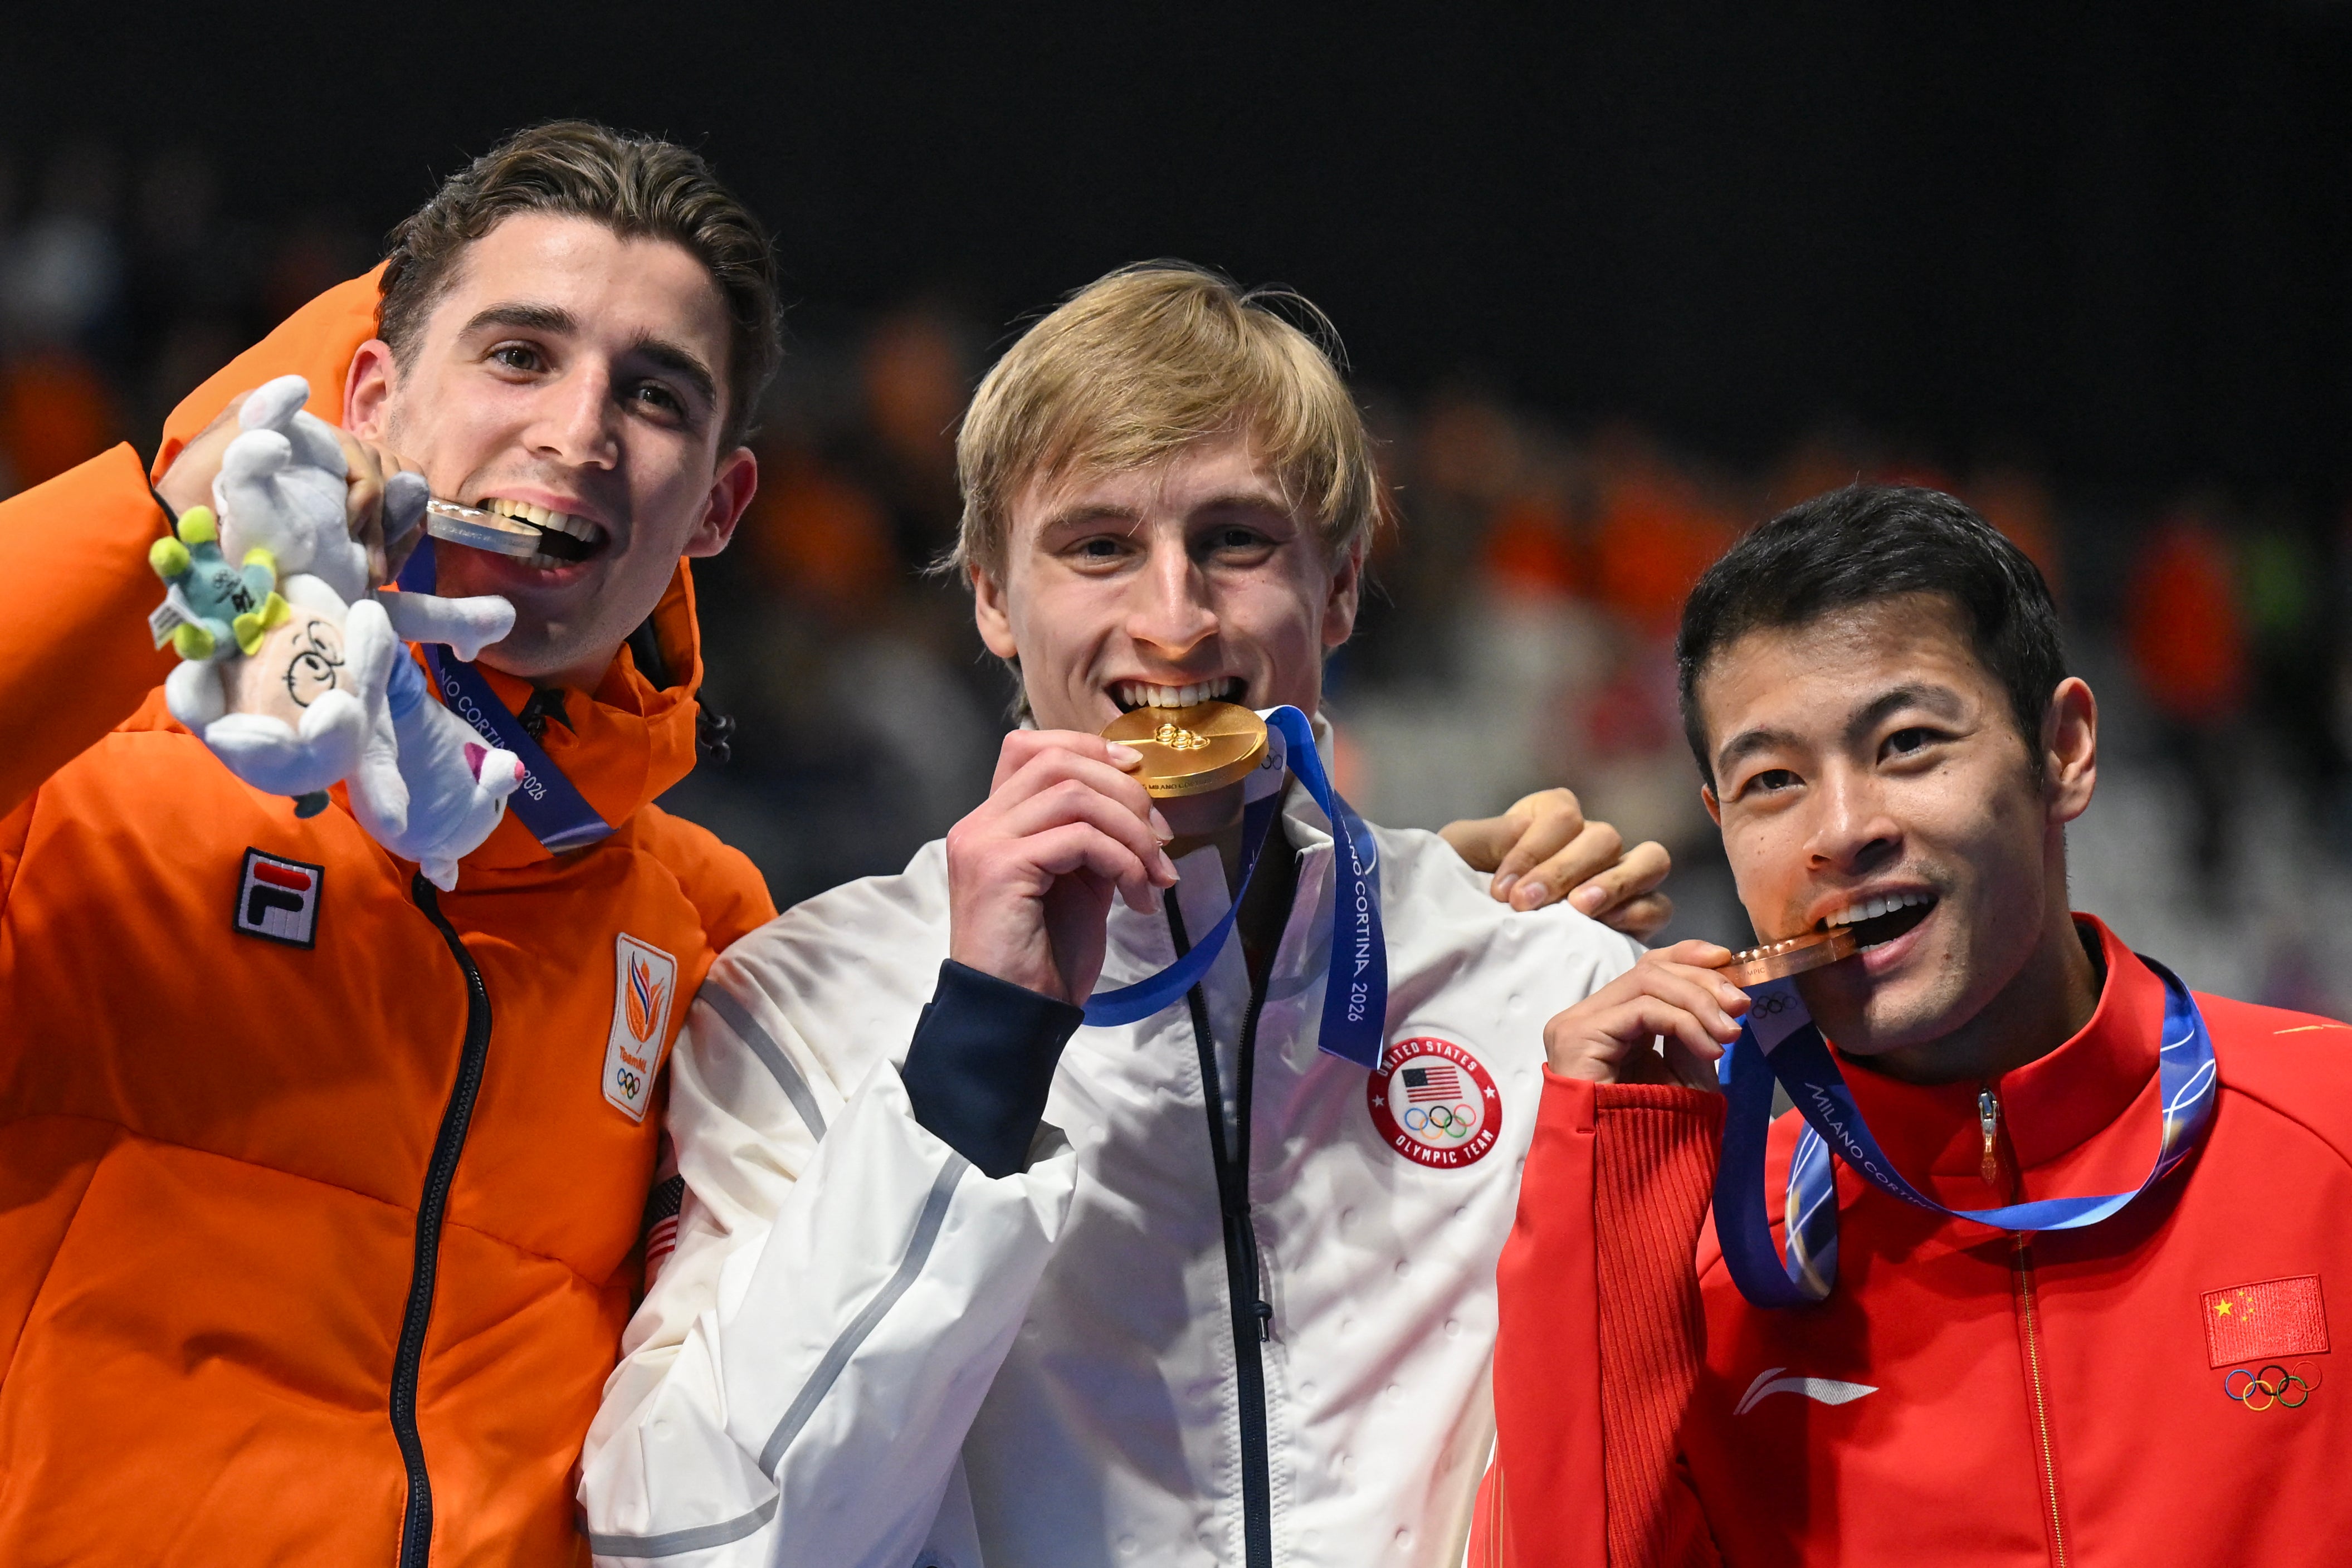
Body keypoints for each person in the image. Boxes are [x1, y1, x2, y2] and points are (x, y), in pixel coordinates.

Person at [576, 264, 1665, 1568]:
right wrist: (972, 1057)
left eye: (1235, 542)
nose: (1171, 619)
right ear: (991, 597)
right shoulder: (801, 1008)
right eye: (1098, 546)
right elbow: (697, 1542)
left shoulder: (1546, 984)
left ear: (1336, 591)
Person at [0, 121, 782, 1564]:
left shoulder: (708, 926)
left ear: (717, 506)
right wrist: (164, 529)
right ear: (373, 392)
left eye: (656, 393)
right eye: (517, 354)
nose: (577, 432)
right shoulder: (89, 773)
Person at [1472, 485, 2352, 1567]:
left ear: (2062, 749)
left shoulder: (2328, 1136)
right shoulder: (1700, 1262)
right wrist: (1604, 1181)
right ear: (1717, 821)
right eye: (1771, 780)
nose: (1841, 830)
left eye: (1904, 744)